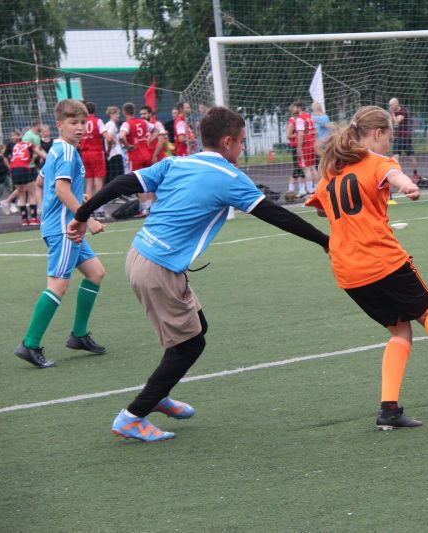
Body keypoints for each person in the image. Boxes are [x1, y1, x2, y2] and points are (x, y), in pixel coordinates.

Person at [67, 106, 330, 442]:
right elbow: (276, 215)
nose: (242, 149)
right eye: (241, 142)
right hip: (159, 267)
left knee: (195, 330)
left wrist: (82, 215)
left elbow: (122, 183)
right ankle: (132, 416)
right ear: (227, 142)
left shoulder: (178, 163)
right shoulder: (229, 177)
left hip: (140, 254)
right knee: (190, 346)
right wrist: (324, 241)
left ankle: (159, 395)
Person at [305, 105, 428, 430]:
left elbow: (320, 209)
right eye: (388, 136)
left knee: (400, 331)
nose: (388, 143)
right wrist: (407, 186)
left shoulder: (332, 171)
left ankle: (388, 411)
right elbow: (394, 176)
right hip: (382, 260)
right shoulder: (378, 162)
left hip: (347, 272)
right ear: (377, 133)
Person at [13, 99, 107, 369]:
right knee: (58, 285)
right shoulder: (66, 151)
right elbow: (62, 190)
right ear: (59, 124)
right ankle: (30, 344)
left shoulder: (57, 148)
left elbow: (42, 181)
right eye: (73, 122)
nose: (80, 128)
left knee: (95, 272)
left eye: (82, 122)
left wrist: (78, 194)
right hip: (65, 229)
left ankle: (79, 335)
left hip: (62, 224)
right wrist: (87, 218)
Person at [119, 102, 156, 216]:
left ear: (124, 112)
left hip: (135, 156)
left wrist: (128, 145)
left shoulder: (126, 124)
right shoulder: (143, 122)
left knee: (139, 182)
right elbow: (156, 130)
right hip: (147, 154)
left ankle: (145, 208)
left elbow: (121, 136)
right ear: (134, 111)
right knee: (149, 180)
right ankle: (151, 206)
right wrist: (148, 141)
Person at [81, 102, 113, 220]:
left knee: (88, 183)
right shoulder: (97, 121)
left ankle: (89, 210)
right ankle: (99, 210)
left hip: (85, 153)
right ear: (95, 110)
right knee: (98, 182)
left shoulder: (82, 122)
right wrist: (108, 149)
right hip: (96, 152)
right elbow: (108, 137)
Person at [9, 133, 47, 226]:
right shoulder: (30, 144)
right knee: (33, 192)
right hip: (23, 168)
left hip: (13, 169)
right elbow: (44, 156)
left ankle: (24, 220)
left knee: (21, 194)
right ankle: (33, 219)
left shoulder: (16, 145)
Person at [388, 98, 418, 178]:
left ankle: (415, 174)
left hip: (405, 138)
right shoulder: (392, 113)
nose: (390, 106)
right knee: (395, 157)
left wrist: (392, 113)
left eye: (391, 105)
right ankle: (398, 176)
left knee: (411, 157)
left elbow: (396, 121)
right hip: (397, 138)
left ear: (396, 103)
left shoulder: (403, 111)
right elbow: (390, 123)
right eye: (389, 105)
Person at [294, 101, 319, 193]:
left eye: (294, 107)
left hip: (305, 146)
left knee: (306, 169)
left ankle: (310, 191)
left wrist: (299, 148)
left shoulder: (300, 119)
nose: (293, 109)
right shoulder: (310, 117)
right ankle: (317, 188)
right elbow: (315, 131)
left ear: (299, 108)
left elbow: (301, 134)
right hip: (312, 144)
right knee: (313, 167)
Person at [285, 104, 309, 198]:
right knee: (297, 168)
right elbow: (288, 135)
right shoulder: (292, 120)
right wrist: (298, 135)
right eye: (295, 108)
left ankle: (302, 190)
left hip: (303, 146)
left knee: (303, 168)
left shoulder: (301, 119)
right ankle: (290, 190)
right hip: (296, 147)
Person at [104, 106, 125, 183]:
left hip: (113, 154)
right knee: (118, 177)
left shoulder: (108, 124)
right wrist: (109, 149)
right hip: (115, 154)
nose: (118, 116)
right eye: (116, 114)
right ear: (111, 115)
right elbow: (109, 137)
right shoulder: (111, 124)